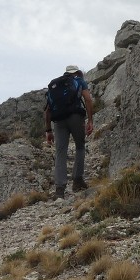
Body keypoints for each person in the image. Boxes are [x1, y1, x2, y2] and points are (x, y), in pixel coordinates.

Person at [44, 65, 94, 198]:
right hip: (75, 117)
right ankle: (77, 180)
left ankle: (59, 189)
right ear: (77, 73)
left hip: (58, 121)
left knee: (60, 152)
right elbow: (88, 100)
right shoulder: (79, 81)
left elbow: (48, 110)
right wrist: (90, 121)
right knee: (80, 146)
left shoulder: (55, 85)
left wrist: (48, 130)